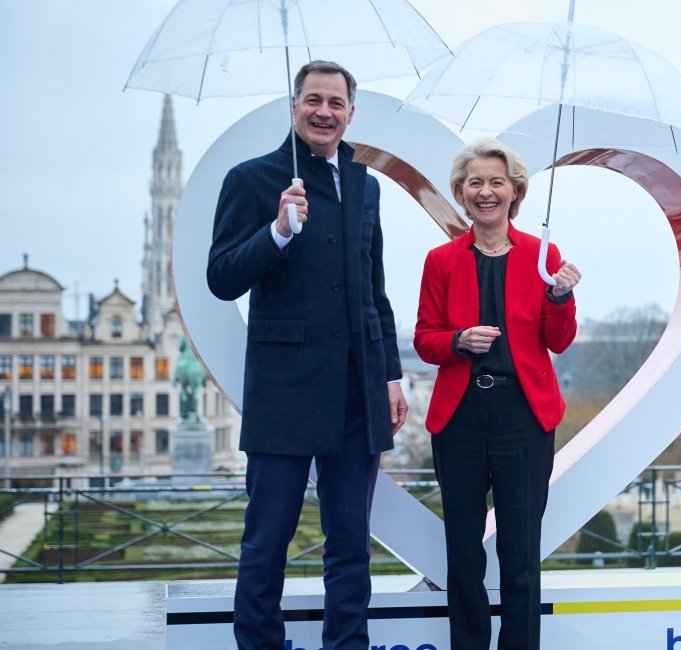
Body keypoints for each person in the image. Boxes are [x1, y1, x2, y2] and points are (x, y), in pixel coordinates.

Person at [207, 60, 408, 650]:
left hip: (357, 391)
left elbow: (375, 290)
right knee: (267, 541)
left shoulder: (367, 184)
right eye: (313, 99)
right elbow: (221, 278)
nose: (324, 112)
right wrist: (277, 233)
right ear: (293, 105)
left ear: (351, 112)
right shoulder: (251, 179)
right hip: (285, 390)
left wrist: (392, 376)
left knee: (351, 543)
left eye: (336, 103)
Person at [414, 139, 581, 650]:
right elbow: (424, 340)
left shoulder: (543, 255)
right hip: (461, 418)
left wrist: (560, 295)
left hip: (524, 418)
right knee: (462, 551)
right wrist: (458, 342)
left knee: (521, 551)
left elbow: (559, 340)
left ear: (516, 191)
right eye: (475, 183)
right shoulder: (440, 260)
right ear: (461, 195)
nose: (485, 192)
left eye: (496, 182)